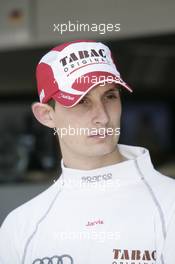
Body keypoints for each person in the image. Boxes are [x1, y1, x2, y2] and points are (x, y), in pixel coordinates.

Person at [0, 40, 175, 264]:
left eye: (110, 96)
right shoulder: (20, 227)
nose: (102, 117)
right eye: (81, 101)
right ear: (46, 115)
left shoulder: (170, 206)